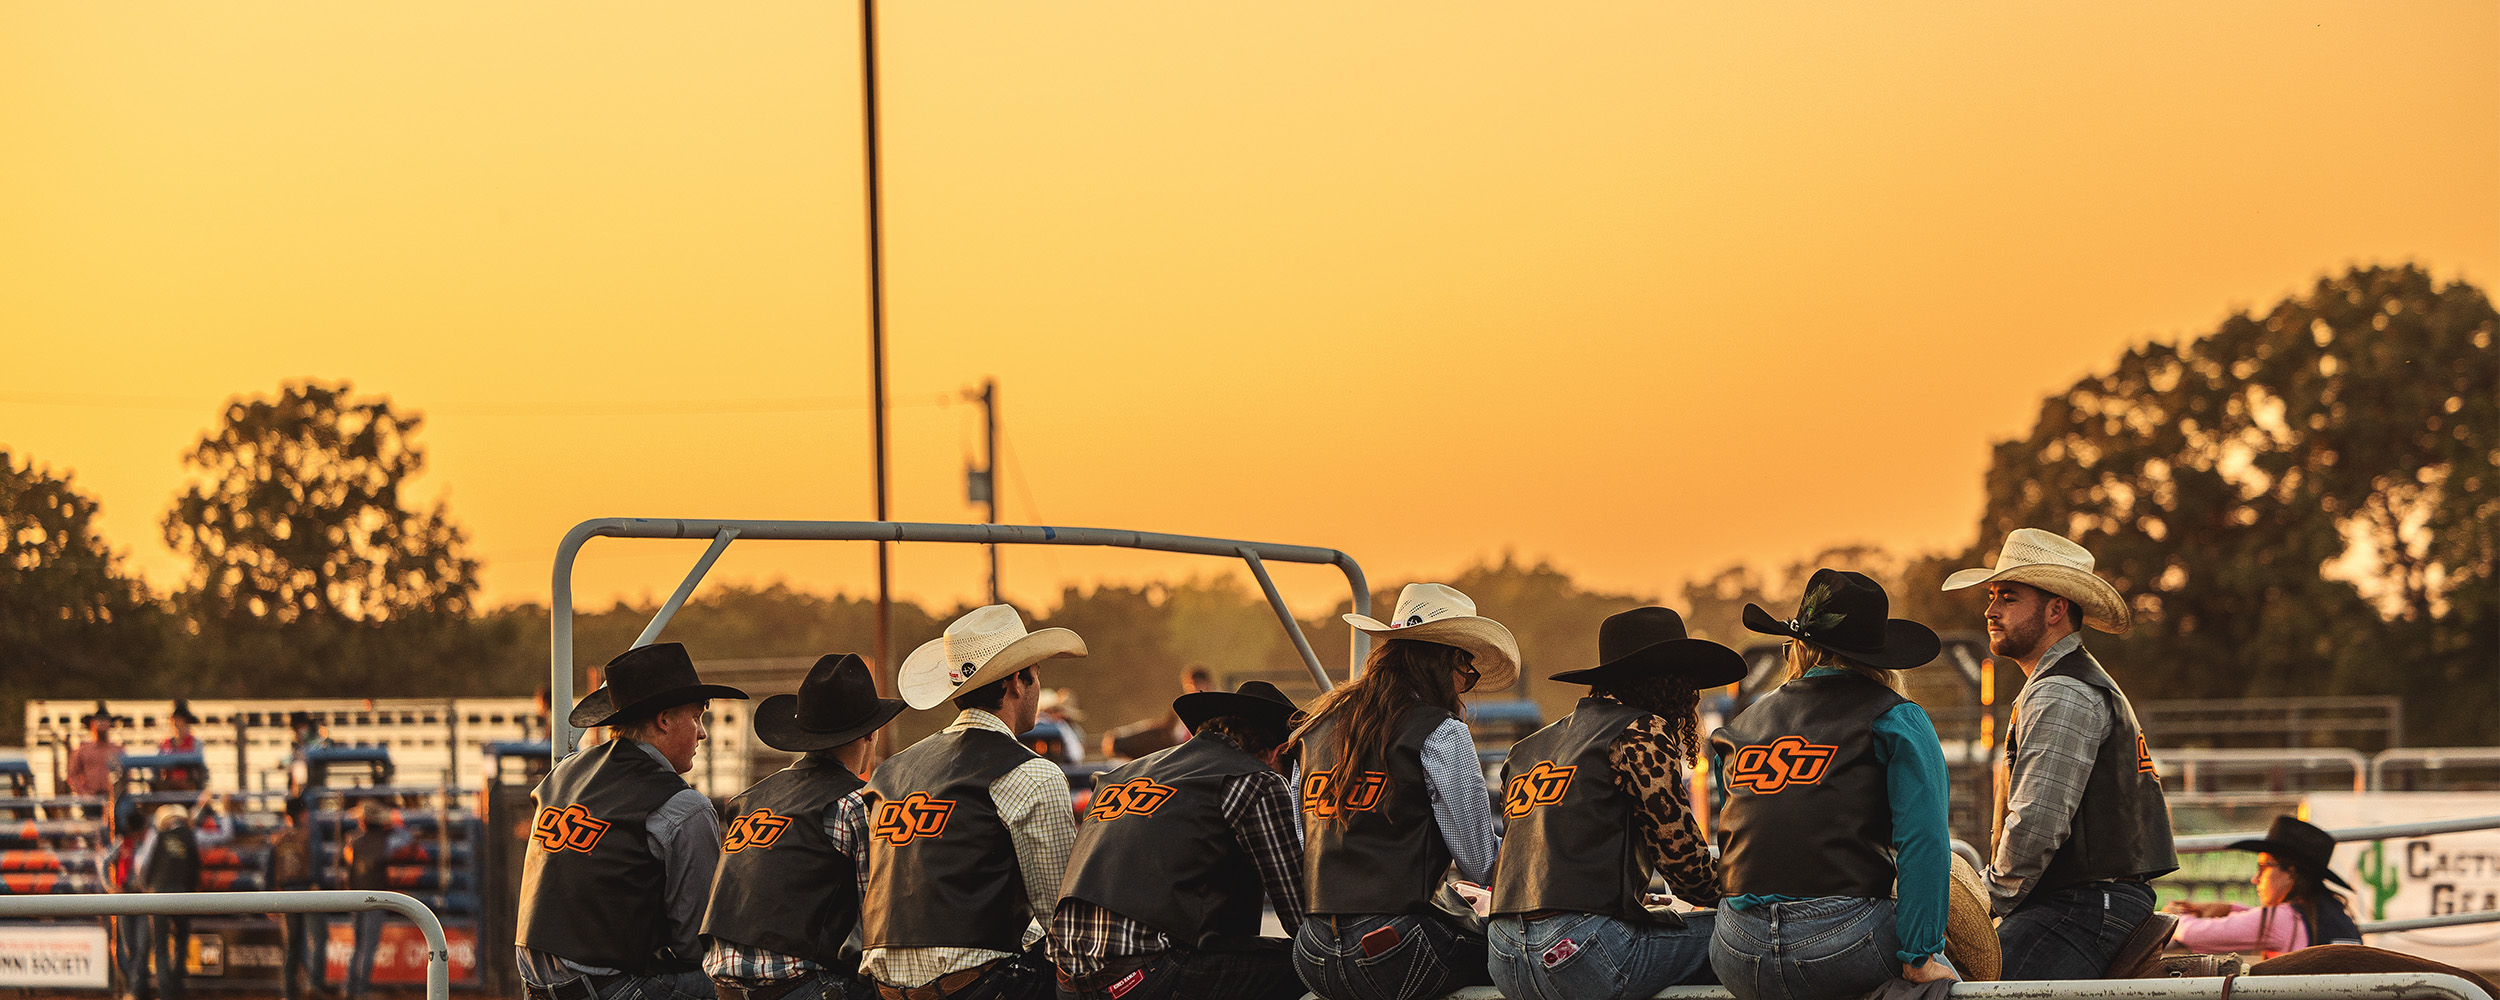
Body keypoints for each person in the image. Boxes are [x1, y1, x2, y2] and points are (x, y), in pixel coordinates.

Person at [1708, 570, 1958, 1000]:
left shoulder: (1738, 729)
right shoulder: (1896, 718)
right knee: (1950, 974)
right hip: (1840, 944)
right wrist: (1919, 958)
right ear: (1880, 657)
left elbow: (1739, 834)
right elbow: (1925, 841)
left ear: (1800, 646)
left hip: (1736, 947)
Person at [1942, 529, 2177, 979]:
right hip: (2088, 900)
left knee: (1973, 988)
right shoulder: (2063, 684)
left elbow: (2036, 822)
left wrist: (1985, 901)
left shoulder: (2060, 693)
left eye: (2008, 597)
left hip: (2083, 905)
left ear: (2056, 609)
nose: (1990, 610)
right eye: (1992, 597)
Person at [1488, 607, 1743, 1000]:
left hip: (1504, 954)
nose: (1692, 694)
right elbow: (1687, 868)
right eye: (1687, 682)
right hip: (1580, 953)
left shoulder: (1527, 749)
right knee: (1745, 937)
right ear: (1667, 682)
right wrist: (1755, 889)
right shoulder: (1641, 731)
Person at [1291, 583, 1515, 1000]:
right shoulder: (1441, 731)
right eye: (1466, 672)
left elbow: (1303, 843)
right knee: (1521, 953)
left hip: (1312, 950)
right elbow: (1482, 861)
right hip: (1393, 948)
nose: (1463, 685)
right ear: (1447, 659)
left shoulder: (1315, 728)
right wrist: (1549, 863)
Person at [857, 605, 1087, 1000]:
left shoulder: (890, 773)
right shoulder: (1031, 774)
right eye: (1036, 675)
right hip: (978, 987)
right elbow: (1061, 920)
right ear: (1018, 681)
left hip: (885, 990)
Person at [515, 642, 749, 1000]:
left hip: (536, 986)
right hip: (609, 988)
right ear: (665, 719)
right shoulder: (683, 807)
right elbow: (696, 944)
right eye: (697, 717)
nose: (702, 733)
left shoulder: (562, 776)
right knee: (743, 982)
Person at [1049, 681, 1309, 1000]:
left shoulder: (1122, 775)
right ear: (1278, 752)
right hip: (1142, 981)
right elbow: (1300, 918)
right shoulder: (1256, 779)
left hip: (1067, 983)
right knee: (1311, 962)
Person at [702, 652, 907, 1000]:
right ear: (869, 735)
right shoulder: (855, 804)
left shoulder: (749, 799)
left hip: (725, 987)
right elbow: (878, 918)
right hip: (802, 988)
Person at [2166, 816, 2362, 957]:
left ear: (2290, 872)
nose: (2255, 878)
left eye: (2263, 867)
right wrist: (2230, 909)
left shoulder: (2281, 920)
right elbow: (2273, 923)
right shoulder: (2334, 912)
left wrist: (2174, 916)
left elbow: (2197, 934)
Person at [133, 804, 202, 1000]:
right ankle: (178, 982)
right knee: (181, 937)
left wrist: (148, 888)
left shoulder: (158, 836)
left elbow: (145, 866)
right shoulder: (189, 836)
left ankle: (165, 992)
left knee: (160, 944)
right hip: (180, 892)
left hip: (158, 893)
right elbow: (193, 869)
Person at [344, 801, 410, 999]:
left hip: (356, 898)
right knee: (369, 945)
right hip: (375, 898)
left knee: (358, 945)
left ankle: (350, 988)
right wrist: (393, 822)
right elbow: (407, 839)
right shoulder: (387, 841)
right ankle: (361, 990)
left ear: (363, 822)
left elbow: (348, 862)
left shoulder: (353, 841)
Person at [267, 797, 330, 1000]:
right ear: (304, 814)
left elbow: (269, 868)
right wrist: (315, 882)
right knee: (318, 938)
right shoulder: (309, 835)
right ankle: (314, 984)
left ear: (287, 815)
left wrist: (270, 894)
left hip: (286, 894)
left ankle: (289, 991)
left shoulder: (279, 838)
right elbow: (316, 861)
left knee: (292, 944)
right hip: (308, 891)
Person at [1102, 667, 1215, 762]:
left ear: (1207, 684)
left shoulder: (1216, 707)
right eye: (1189, 686)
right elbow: (1164, 729)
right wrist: (1122, 734)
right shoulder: (1181, 708)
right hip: (1181, 755)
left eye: (1196, 685)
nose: (1192, 689)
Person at [69, 702, 122, 802]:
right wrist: (83, 794)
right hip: (91, 798)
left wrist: (119, 792)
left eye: (104, 720)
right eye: (98, 720)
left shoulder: (118, 750)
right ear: (92, 724)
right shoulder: (83, 750)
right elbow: (73, 775)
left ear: (110, 724)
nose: (101, 723)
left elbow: (126, 774)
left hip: (113, 798)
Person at [158, 701, 204, 792]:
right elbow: (158, 770)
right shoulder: (164, 744)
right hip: (169, 789)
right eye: (175, 720)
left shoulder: (196, 743)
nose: (178, 724)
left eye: (182, 720)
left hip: (189, 788)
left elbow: (200, 771)